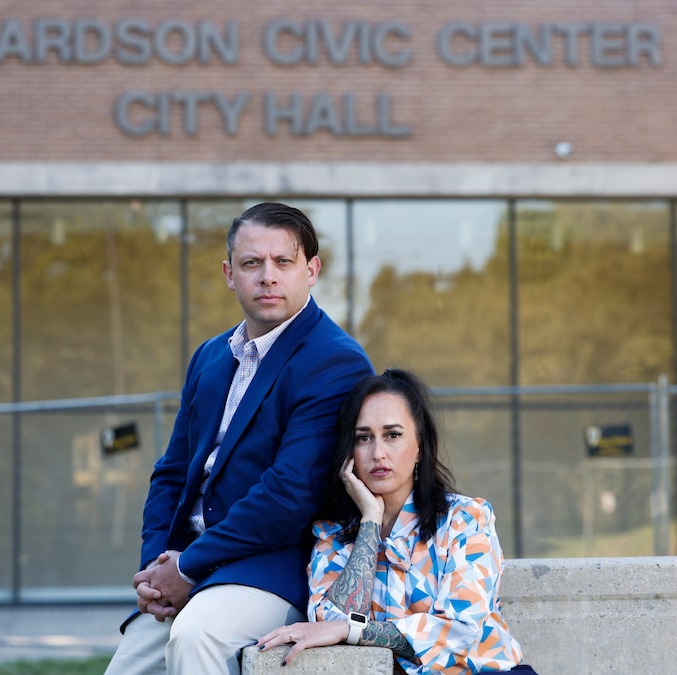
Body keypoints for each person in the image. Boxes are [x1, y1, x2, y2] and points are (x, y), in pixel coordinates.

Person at [104, 202, 374, 675]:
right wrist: (156, 570)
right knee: (126, 668)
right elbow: (171, 472)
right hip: (195, 565)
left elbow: (289, 494)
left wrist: (185, 569)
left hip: (273, 568)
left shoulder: (335, 361)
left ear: (311, 270)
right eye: (252, 263)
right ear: (230, 274)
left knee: (196, 638)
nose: (267, 276)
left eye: (283, 262)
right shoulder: (210, 357)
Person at [258, 368, 538, 674]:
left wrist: (354, 632)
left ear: (419, 446)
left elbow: (460, 630)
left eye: (393, 435)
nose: (378, 453)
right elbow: (330, 624)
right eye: (363, 438)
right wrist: (369, 522)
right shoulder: (332, 535)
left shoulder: (466, 520)